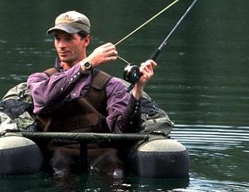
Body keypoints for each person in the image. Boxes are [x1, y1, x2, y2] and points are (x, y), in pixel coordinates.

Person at [27, 10, 157, 177]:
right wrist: (86, 65)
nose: (61, 45)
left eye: (68, 38)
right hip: (58, 155)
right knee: (60, 172)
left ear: (86, 40)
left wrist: (138, 89)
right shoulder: (40, 79)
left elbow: (121, 131)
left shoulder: (112, 85)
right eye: (57, 38)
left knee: (116, 173)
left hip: (103, 153)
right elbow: (44, 99)